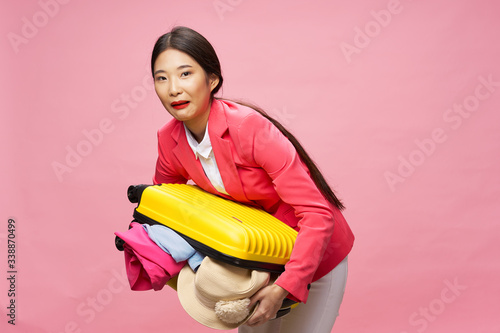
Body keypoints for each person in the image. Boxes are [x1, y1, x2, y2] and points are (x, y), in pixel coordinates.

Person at [150, 26, 354, 333]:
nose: (173, 89)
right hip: (255, 267)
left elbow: (317, 215)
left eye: (185, 74)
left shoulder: (249, 128)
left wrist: (285, 286)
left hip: (315, 258)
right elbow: (164, 209)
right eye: (161, 78)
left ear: (212, 79)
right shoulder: (169, 140)